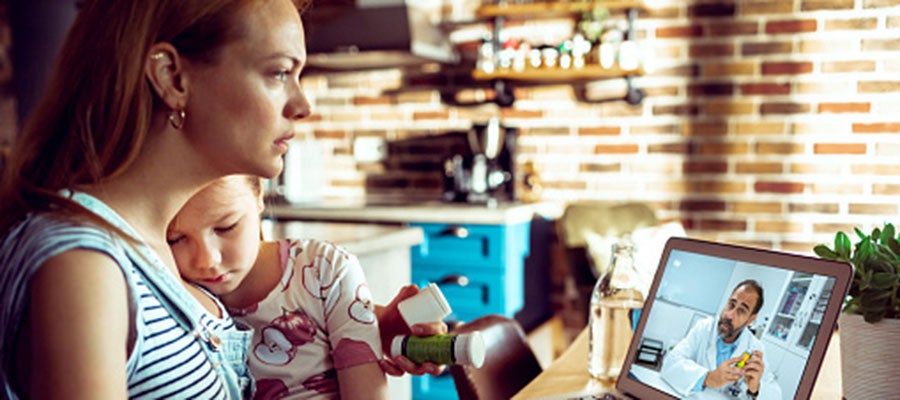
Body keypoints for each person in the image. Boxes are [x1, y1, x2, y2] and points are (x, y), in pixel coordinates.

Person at [0, 0, 311, 398]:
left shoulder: (160, 250)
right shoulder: (83, 264)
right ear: (172, 78)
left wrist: (371, 331)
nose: (302, 107)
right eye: (280, 72)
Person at [167, 175, 444, 399]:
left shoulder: (325, 269)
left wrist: (374, 325)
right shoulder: (170, 294)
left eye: (227, 227)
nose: (207, 261)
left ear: (258, 197)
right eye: (176, 238)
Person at [660, 280, 782, 399]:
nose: (729, 315)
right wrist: (708, 378)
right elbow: (670, 362)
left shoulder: (755, 348)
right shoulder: (704, 328)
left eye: (741, 311)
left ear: (750, 320)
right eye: (731, 304)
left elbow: (776, 395)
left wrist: (756, 389)